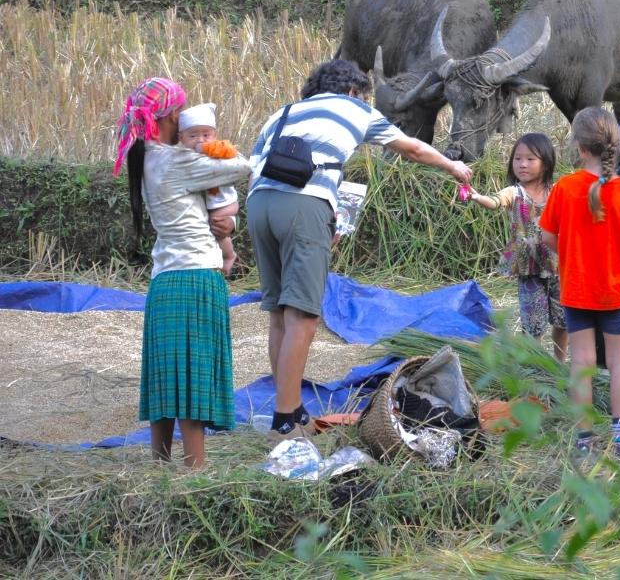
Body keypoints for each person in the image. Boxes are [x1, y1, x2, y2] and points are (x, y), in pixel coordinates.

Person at [246, 59, 472, 437]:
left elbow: (254, 165)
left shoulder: (283, 113)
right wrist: (453, 167)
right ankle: (285, 421)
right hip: (304, 205)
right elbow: (412, 148)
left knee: (279, 313)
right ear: (353, 90)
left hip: (259, 205)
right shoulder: (353, 107)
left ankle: (291, 408)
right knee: (303, 314)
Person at [115, 77, 251, 468]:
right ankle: (196, 468)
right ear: (173, 115)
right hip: (196, 278)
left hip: (165, 279)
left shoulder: (147, 159)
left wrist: (224, 227)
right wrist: (210, 143)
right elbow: (241, 167)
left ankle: (159, 464)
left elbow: (202, 210)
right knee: (194, 372)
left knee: (164, 373)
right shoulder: (178, 159)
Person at [539, 107, 620, 456]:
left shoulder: (565, 188)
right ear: (615, 147)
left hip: (575, 290)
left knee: (581, 364)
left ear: (580, 148)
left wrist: (573, 249)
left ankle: (584, 441)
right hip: (616, 293)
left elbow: (547, 237)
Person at [467, 133, 567, 361]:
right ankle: (534, 368)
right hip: (528, 267)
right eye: (517, 158)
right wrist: (476, 196)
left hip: (559, 264)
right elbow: (494, 202)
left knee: (563, 320)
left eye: (530, 159)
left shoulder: (558, 192)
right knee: (533, 324)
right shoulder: (515, 192)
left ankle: (560, 367)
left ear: (546, 162)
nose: (522, 164)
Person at [176, 103, 242, 275]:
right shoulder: (182, 158)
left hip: (224, 202)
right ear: (181, 138)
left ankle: (229, 255)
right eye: (193, 136)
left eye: (206, 135)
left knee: (217, 226)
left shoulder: (217, 151)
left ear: (214, 135)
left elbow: (237, 159)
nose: (200, 140)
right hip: (213, 202)